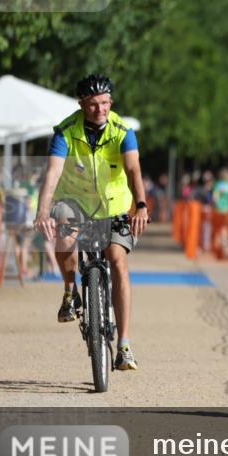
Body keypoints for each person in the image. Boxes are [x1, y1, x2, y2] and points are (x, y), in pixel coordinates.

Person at [33, 74, 149, 370]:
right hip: (75, 203)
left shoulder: (123, 130)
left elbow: (134, 170)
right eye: (94, 104)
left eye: (106, 103)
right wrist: (42, 211)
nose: (101, 109)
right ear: (82, 104)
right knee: (65, 235)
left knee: (116, 258)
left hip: (114, 207)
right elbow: (52, 174)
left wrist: (141, 205)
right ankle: (70, 292)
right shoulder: (66, 132)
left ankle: (124, 345)